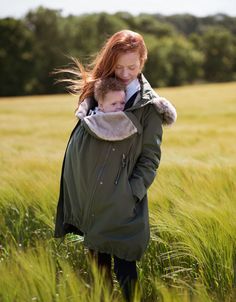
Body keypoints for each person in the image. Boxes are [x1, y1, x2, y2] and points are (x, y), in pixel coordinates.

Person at [54, 29, 177, 301]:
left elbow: (150, 158)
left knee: (125, 268)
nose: (124, 72)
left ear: (142, 61)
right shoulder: (100, 90)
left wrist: (130, 192)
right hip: (92, 196)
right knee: (99, 268)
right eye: (119, 66)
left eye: (132, 66)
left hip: (123, 199)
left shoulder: (149, 107)